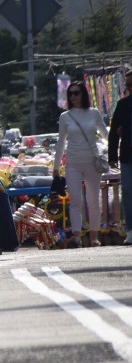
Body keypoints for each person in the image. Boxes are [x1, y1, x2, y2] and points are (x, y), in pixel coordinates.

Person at [54, 81, 109, 248]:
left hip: (92, 162)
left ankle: (94, 237)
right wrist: (56, 167)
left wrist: (106, 151)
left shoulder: (94, 113)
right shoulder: (65, 116)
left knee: (93, 201)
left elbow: (106, 135)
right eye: (70, 93)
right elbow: (61, 143)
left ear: (83, 94)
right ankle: (77, 237)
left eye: (76, 93)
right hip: (73, 163)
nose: (73, 96)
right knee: (75, 201)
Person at [108, 69, 132, 246]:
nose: (129, 88)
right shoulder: (123, 105)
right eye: (127, 85)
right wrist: (112, 155)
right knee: (128, 193)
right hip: (127, 155)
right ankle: (130, 229)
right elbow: (113, 132)